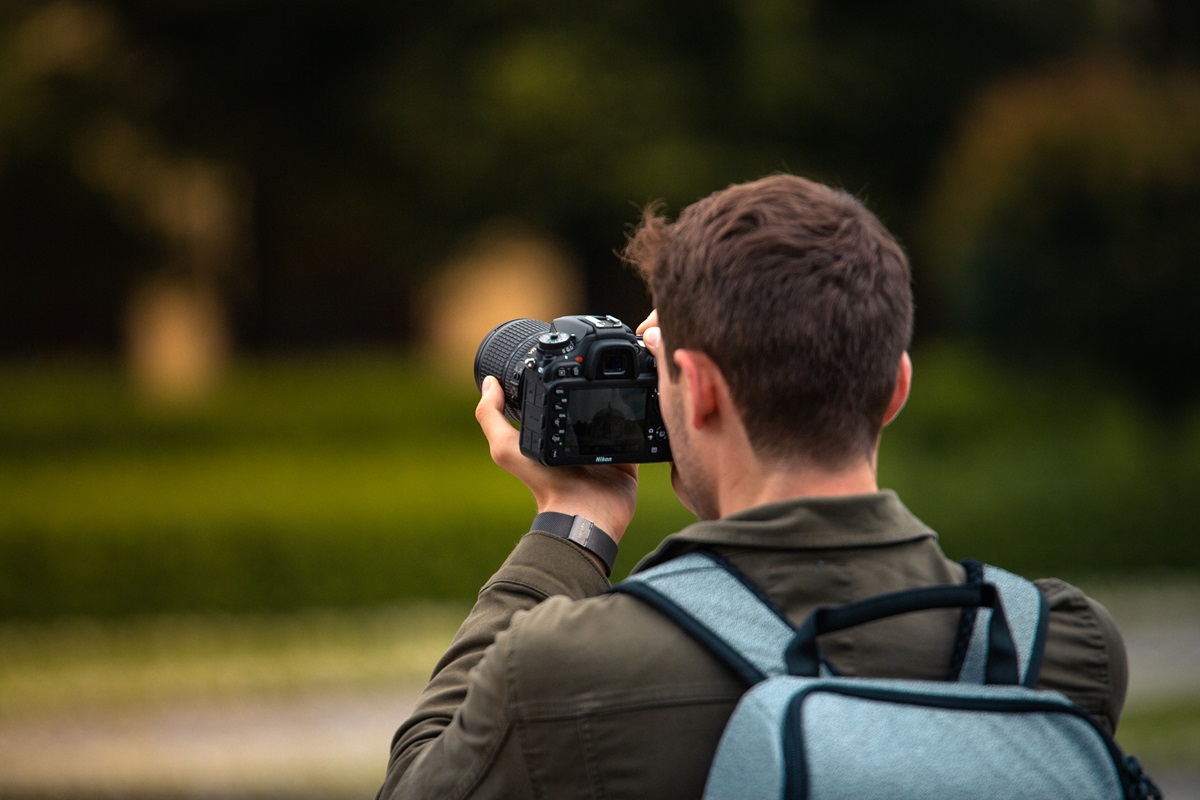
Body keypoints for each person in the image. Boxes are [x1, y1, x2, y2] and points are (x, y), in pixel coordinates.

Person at [376, 174, 1127, 800]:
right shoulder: (1060, 647)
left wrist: (572, 524)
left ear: (697, 391)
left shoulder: (567, 669)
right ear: (896, 389)